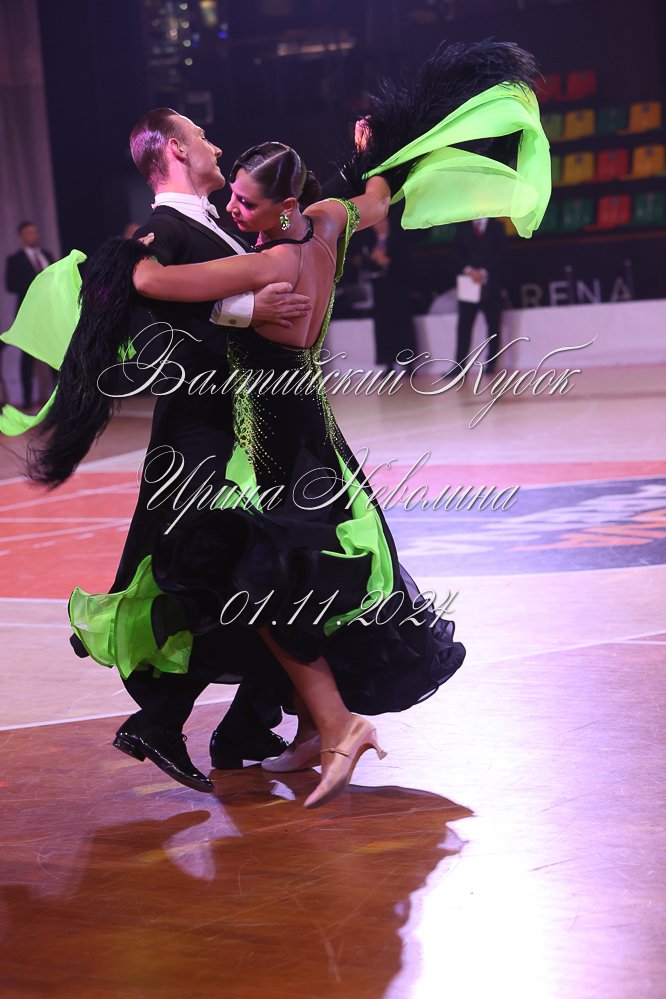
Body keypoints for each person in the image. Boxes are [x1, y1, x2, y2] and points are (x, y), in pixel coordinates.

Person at [71, 109, 315, 792]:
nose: (214, 142)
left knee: (267, 571)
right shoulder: (167, 228)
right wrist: (246, 310)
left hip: (236, 425)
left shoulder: (212, 225)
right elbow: (141, 301)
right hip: (197, 434)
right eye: (202, 136)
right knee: (220, 576)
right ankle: (163, 721)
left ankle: (242, 722)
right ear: (177, 150)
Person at [5, 221, 55, 408]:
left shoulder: (47, 255)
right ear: (21, 236)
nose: (33, 235)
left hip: (49, 311)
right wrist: (35, 285)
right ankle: (27, 399)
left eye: (35, 232)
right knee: (28, 356)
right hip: (29, 312)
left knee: (54, 351)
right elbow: (10, 285)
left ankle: (60, 397)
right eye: (29, 233)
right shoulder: (14, 259)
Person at [452, 217, 506, 375]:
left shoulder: (497, 226)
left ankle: (491, 364)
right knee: (464, 326)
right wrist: (469, 270)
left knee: (493, 325)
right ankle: (459, 366)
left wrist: (483, 272)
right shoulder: (462, 227)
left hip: (491, 284)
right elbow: (456, 253)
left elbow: (501, 253)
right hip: (468, 283)